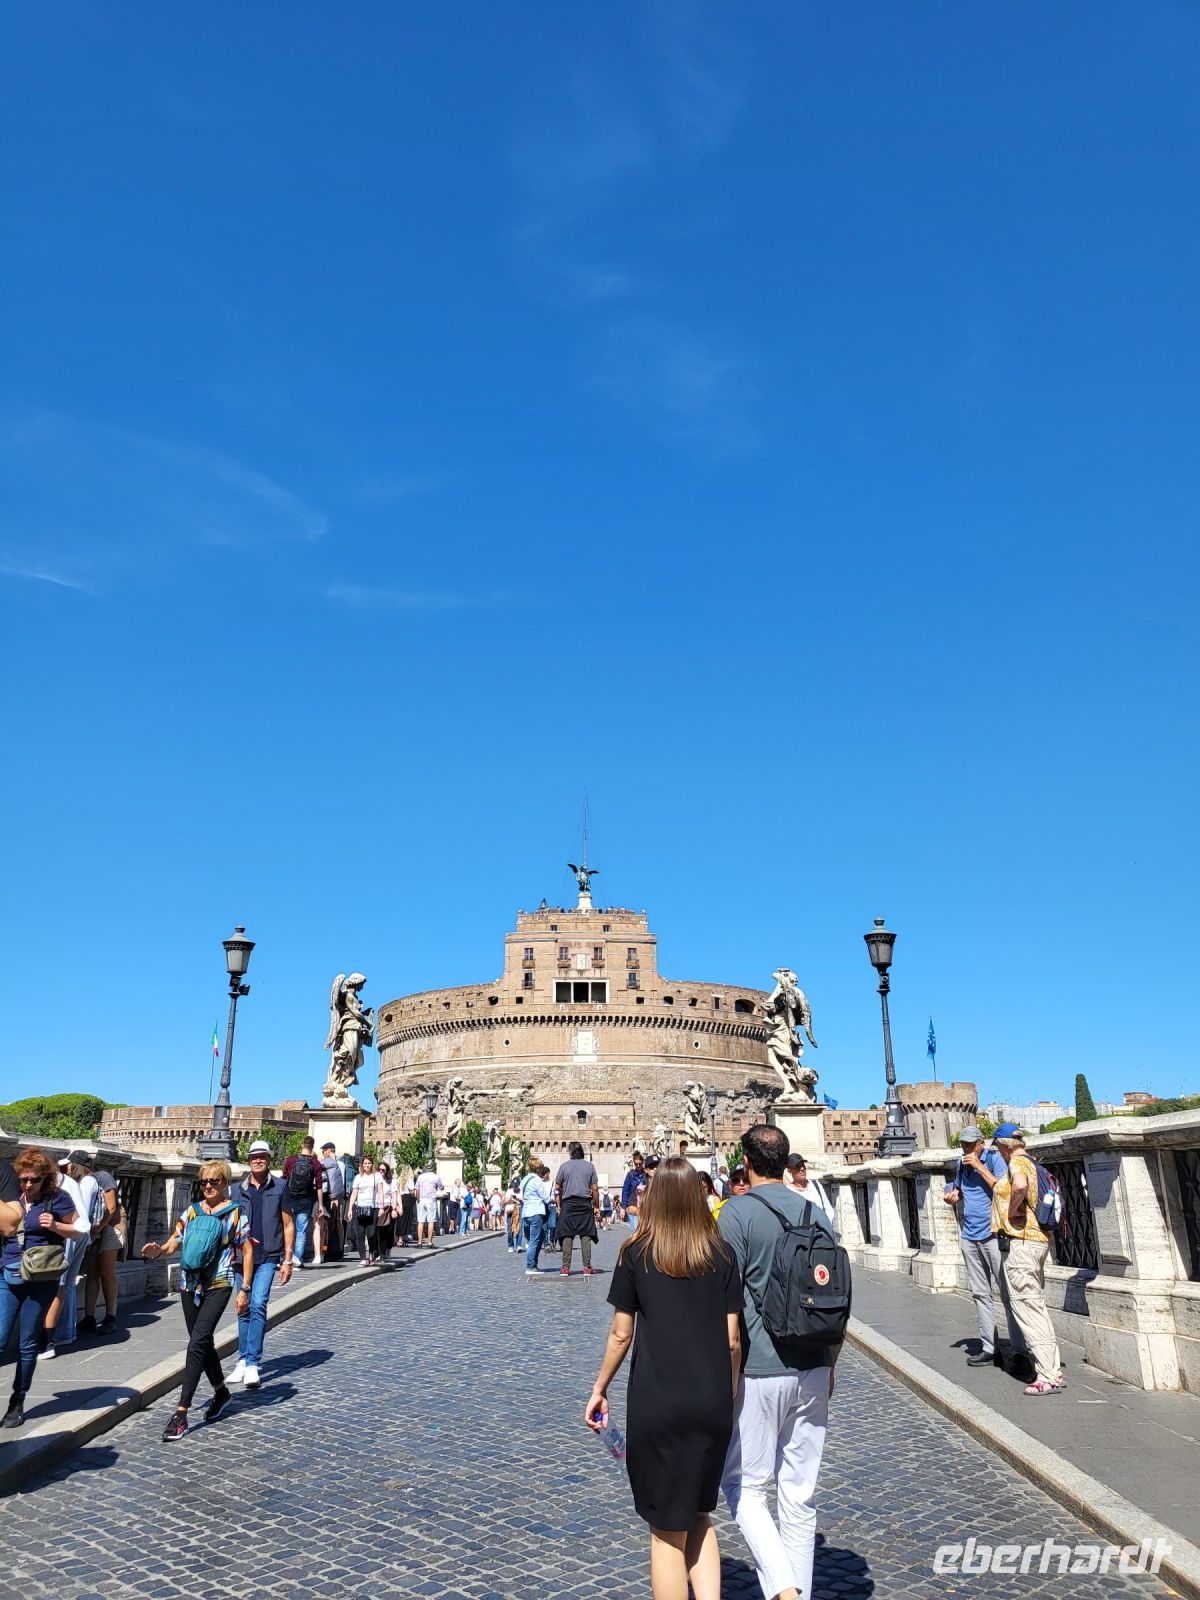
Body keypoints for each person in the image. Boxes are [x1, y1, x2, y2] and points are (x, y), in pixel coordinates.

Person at [586, 1156, 741, 1600]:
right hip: (710, 1404)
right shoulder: (722, 1255)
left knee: (665, 1531)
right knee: (699, 1515)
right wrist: (728, 1394)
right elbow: (732, 1340)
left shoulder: (636, 1253)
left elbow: (621, 1334)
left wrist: (599, 1389)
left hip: (658, 1404)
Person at [719, 1124, 841, 1600]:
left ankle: (785, 1590)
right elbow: (835, 1296)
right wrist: (830, 1363)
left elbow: (724, 1304)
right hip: (814, 1364)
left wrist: (725, 1375)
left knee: (745, 1488)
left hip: (759, 1369)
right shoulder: (816, 1212)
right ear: (786, 1162)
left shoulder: (735, 1214)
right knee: (799, 1496)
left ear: (746, 1163)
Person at [142, 1159, 252, 1441]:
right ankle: (221, 1392)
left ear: (225, 1183)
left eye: (214, 1181)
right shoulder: (191, 1211)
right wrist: (158, 1250)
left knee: (197, 1343)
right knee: (201, 1342)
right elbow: (173, 1241)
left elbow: (247, 1250)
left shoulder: (235, 1213)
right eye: (203, 1181)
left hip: (220, 1282)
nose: (208, 1186)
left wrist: (245, 1289)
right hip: (189, 1283)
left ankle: (181, 1412)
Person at [0, 1147, 87, 1429]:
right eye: (23, 1179)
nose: (27, 1184)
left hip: (41, 1280)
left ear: (45, 1178)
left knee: (27, 1343)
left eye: (34, 1179)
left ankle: (17, 1401)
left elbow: (80, 1230)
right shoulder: (11, 1198)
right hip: (8, 1274)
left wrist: (57, 1225)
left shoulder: (56, 1199)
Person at [942, 1123, 1026, 1370]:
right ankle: (990, 1348)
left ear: (981, 1144)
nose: (967, 1149)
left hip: (993, 1235)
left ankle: (1019, 1351)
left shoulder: (994, 1160)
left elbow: (1003, 1190)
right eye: (963, 1145)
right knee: (980, 1294)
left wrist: (979, 1167)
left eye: (971, 1145)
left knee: (1008, 1293)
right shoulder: (960, 1164)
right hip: (969, 1236)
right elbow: (957, 1187)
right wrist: (952, 1194)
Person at [992, 1125, 1063, 1395]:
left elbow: (1019, 1186)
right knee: (1035, 1306)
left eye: (998, 1147)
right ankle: (1053, 1369)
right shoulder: (1034, 1162)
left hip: (1022, 1243)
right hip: (1036, 1241)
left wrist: (1011, 1211)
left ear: (1004, 1144)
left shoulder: (1017, 1162)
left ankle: (1047, 1376)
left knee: (1027, 1307)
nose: (998, 1152)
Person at [229, 1141, 295, 1388]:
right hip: (240, 1257)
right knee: (243, 1308)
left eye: (262, 1157)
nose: (258, 1160)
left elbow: (288, 1223)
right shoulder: (236, 1190)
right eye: (254, 1157)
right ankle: (243, 1359)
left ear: (269, 1160)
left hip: (268, 1255)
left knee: (258, 1303)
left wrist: (288, 1259)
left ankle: (253, 1362)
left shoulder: (280, 1187)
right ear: (249, 1160)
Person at [41, 1151, 100, 1355]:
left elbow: (80, 1216)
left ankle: (54, 1336)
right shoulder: (72, 1182)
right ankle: (66, 1331)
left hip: (68, 1235)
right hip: (77, 1234)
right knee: (67, 1284)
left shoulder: (75, 1183)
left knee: (59, 1284)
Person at [83, 1162, 122, 1334]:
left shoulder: (103, 1177)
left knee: (107, 1271)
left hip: (110, 1226)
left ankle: (110, 1316)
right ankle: (89, 1317)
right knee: (92, 1272)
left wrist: (98, 1229)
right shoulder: (80, 1182)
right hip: (94, 1228)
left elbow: (111, 1207)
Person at [556, 1141, 600, 1277]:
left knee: (567, 1234)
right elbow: (595, 1188)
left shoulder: (564, 1166)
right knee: (585, 1234)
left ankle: (565, 1268)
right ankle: (587, 1267)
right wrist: (597, 1206)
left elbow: (557, 1187)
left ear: (571, 1152)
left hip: (568, 1204)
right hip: (585, 1204)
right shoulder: (590, 1166)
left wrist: (561, 1201)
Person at [282, 1136, 323, 1268]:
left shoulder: (291, 1160)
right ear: (312, 1147)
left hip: (290, 1198)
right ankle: (297, 1259)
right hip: (306, 1199)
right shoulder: (315, 1163)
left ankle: (288, 1257)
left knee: (288, 1227)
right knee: (301, 1231)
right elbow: (319, 1186)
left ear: (302, 1145)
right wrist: (321, 1205)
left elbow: (284, 1178)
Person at [348, 1154, 384, 1264]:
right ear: (362, 1165)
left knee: (371, 1233)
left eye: (369, 1163)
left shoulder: (377, 1176)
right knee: (360, 1233)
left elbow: (380, 1192)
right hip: (360, 1207)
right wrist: (350, 1208)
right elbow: (354, 1194)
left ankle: (373, 1252)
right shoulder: (358, 1177)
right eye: (365, 1163)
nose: (367, 1165)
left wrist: (381, 1207)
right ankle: (363, 1258)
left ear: (372, 1164)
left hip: (373, 1207)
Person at [784, 1155, 836, 1228]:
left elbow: (828, 1208)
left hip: (822, 1231)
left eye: (803, 1165)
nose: (802, 1169)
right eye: (798, 1166)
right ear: (789, 1170)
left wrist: (826, 1226)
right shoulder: (788, 1191)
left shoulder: (816, 1185)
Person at [520, 1162, 552, 1276]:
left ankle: (533, 1263)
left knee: (540, 1236)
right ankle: (531, 1266)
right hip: (535, 1212)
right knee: (534, 1241)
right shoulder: (537, 1181)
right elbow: (545, 1198)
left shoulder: (524, 1179)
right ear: (538, 1169)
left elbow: (521, 1196)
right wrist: (553, 1199)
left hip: (526, 1212)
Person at [319, 1142, 347, 1261]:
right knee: (330, 1224)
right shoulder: (330, 1163)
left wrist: (335, 1198)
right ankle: (329, 1250)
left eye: (323, 1151)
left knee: (336, 1223)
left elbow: (338, 1183)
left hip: (335, 1198)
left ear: (329, 1150)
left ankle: (338, 1250)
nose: (323, 1154)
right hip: (332, 1197)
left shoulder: (339, 1164)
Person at [415, 1165, 443, 1249]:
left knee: (420, 1221)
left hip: (422, 1199)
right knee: (431, 1221)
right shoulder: (436, 1177)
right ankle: (429, 1242)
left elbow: (417, 1189)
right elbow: (441, 1187)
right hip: (431, 1200)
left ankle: (419, 1242)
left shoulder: (420, 1177)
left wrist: (418, 1199)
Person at [621, 1152, 647, 1228]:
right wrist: (623, 1208)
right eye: (636, 1164)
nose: (638, 1166)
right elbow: (625, 1191)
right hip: (632, 1205)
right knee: (636, 1228)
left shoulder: (646, 1175)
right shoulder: (630, 1175)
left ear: (643, 1162)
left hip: (644, 1206)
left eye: (640, 1164)